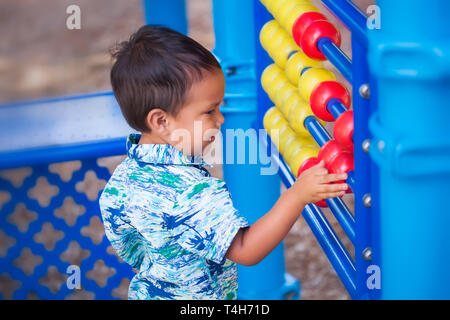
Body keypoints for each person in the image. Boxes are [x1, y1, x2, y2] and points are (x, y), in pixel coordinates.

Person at [99, 25, 348, 300]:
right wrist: (297, 196)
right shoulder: (191, 194)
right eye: (209, 111)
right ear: (162, 122)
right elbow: (246, 249)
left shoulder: (122, 180)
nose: (221, 119)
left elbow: (129, 248)